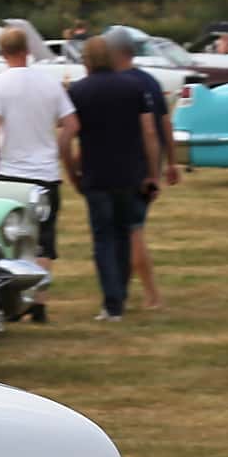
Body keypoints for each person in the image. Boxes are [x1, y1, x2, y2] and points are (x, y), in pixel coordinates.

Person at [0, 25, 76, 322]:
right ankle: (39, 303)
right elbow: (71, 124)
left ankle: (14, 301)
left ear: (2, 52)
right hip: (45, 171)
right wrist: (57, 149)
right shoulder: (49, 83)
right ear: (28, 50)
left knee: (12, 238)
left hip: (11, 171)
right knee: (45, 241)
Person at [65, 36, 158, 323]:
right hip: (130, 173)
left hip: (96, 173)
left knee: (103, 238)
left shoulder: (78, 91)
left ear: (87, 60)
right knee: (123, 234)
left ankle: (112, 302)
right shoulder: (135, 87)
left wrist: (72, 173)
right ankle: (122, 294)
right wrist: (152, 172)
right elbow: (149, 133)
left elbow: (66, 136)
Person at [104, 26, 178, 309]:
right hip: (149, 166)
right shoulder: (149, 82)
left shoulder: (114, 84)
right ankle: (121, 291)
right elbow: (164, 125)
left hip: (128, 170)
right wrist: (169, 163)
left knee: (131, 232)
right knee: (129, 230)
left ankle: (151, 295)